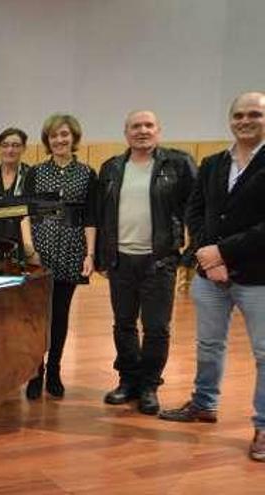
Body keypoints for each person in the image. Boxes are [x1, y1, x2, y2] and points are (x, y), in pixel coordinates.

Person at [159, 92, 265, 462]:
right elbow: (196, 212)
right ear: (230, 119)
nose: (245, 120)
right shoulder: (213, 162)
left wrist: (224, 251)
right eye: (239, 114)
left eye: (255, 114)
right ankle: (204, 404)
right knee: (208, 345)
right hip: (210, 275)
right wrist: (207, 253)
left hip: (258, 276)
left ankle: (264, 426)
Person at [97, 111, 195, 415]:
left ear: (159, 131)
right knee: (123, 324)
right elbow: (102, 216)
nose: (142, 131)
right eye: (135, 126)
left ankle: (149, 385)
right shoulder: (112, 168)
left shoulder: (178, 165)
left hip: (159, 261)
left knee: (156, 328)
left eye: (148, 125)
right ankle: (128, 381)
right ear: (126, 133)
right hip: (120, 261)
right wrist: (102, 256)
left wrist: (190, 252)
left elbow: (196, 208)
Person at [22, 113, 97, 400]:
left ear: (73, 137)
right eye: (54, 136)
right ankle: (34, 372)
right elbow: (25, 213)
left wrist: (89, 254)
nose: (59, 140)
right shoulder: (35, 173)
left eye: (64, 134)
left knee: (61, 315)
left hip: (71, 249)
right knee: (38, 315)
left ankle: (54, 371)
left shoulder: (88, 174)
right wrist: (30, 249)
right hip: (40, 250)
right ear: (47, 140)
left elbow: (91, 217)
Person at [0, 127, 33, 257]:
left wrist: (30, 248)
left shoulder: (31, 175)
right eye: (5, 145)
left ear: (23, 148)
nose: (10, 150)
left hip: (22, 245)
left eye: (15, 145)